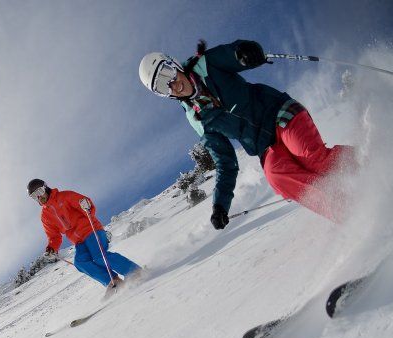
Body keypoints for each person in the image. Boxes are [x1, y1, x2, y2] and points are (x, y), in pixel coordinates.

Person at [138, 40, 353, 227]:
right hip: (265, 147)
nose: (172, 85)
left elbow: (234, 53)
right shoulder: (198, 120)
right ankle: (350, 211)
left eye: (167, 73)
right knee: (277, 175)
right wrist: (220, 205)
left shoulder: (207, 64)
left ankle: (373, 160)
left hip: (279, 112)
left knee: (311, 158)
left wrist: (243, 52)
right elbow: (225, 162)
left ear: (174, 64)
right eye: (161, 87)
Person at [28, 178, 140, 292]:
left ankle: (133, 271)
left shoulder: (64, 196)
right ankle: (113, 281)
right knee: (80, 262)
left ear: (45, 188)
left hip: (91, 230)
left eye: (39, 192)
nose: (38, 197)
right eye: (33, 196)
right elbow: (54, 236)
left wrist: (86, 205)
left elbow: (84, 203)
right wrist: (52, 248)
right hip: (79, 242)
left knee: (99, 256)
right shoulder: (45, 216)